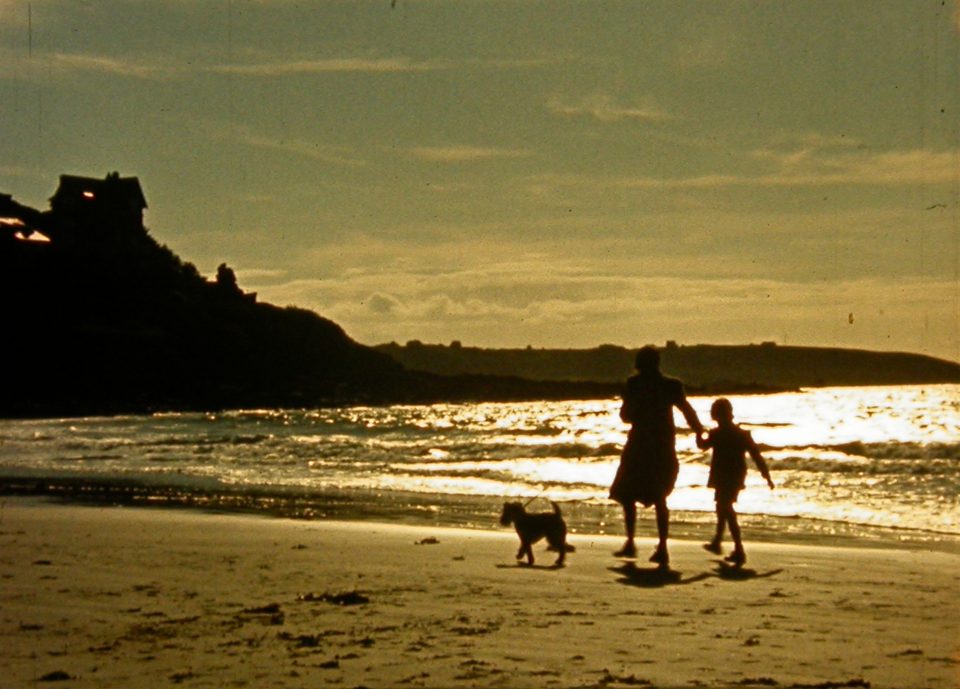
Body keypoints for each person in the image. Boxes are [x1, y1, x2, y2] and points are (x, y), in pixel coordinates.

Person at [610, 346, 704, 567]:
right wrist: (699, 431)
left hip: (639, 444)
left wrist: (630, 403)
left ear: (639, 364)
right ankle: (662, 547)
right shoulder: (671, 385)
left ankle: (631, 541)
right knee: (660, 496)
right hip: (662, 446)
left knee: (628, 495)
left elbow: (626, 416)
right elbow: (687, 410)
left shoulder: (634, 385)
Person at [697, 397, 775, 566]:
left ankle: (737, 549)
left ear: (717, 415)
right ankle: (719, 542)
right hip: (735, 474)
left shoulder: (717, 434)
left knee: (725, 508)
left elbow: (702, 446)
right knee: (722, 506)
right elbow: (756, 455)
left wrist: (698, 432)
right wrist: (765, 475)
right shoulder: (740, 434)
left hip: (726, 474)